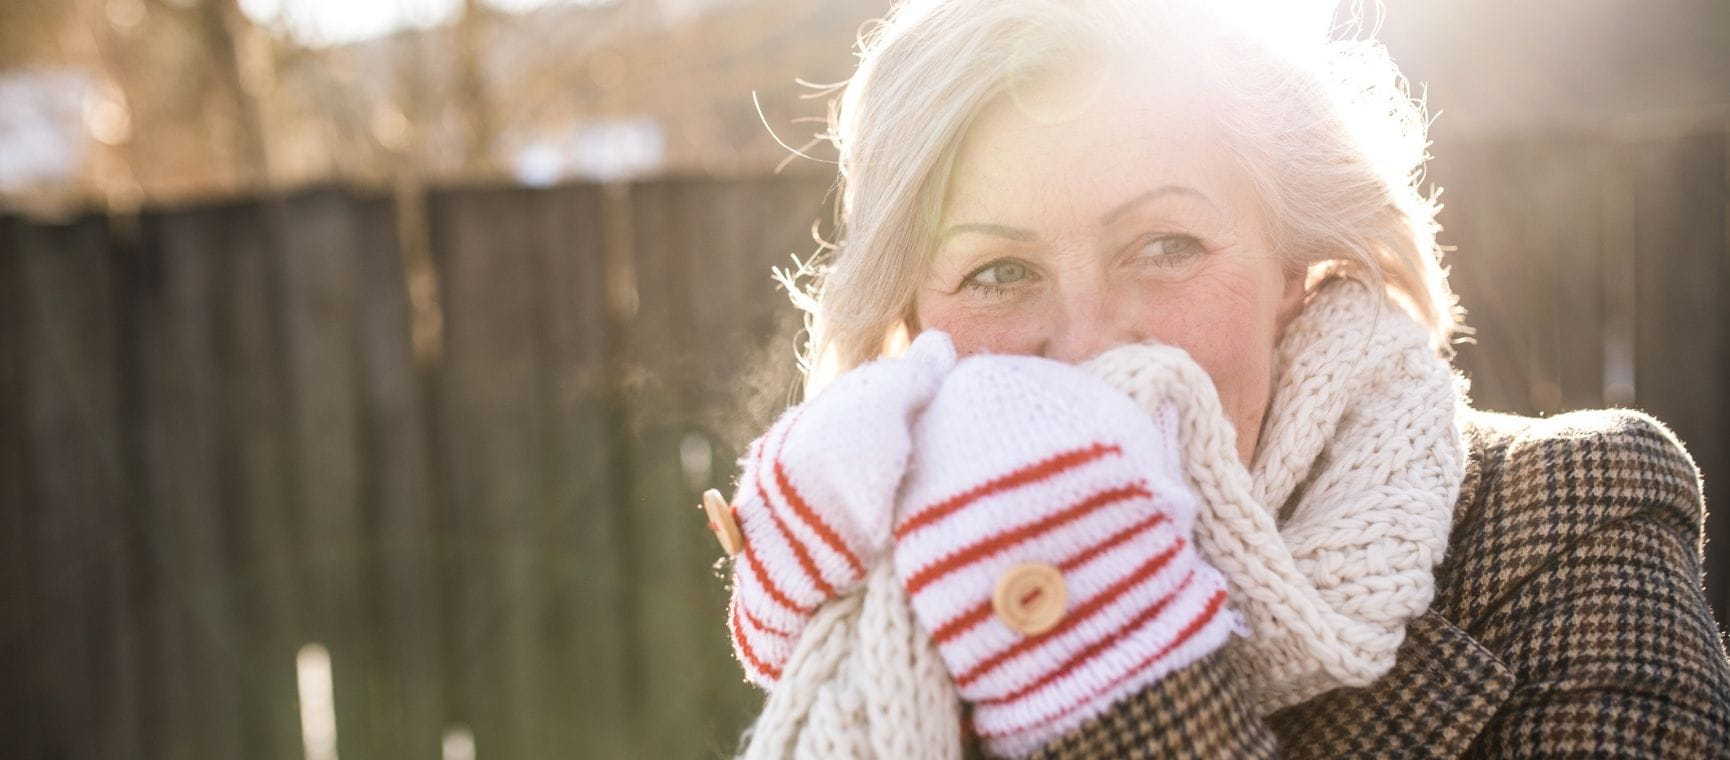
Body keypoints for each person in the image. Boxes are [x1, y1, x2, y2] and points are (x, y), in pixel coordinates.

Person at [710, 0, 1730, 757]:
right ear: (910, 319)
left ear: (1291, 265)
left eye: (1164, 243)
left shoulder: (1574, 520)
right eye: (998, 272)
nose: (1090, 345)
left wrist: (1072, 609)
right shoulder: (877, 625)